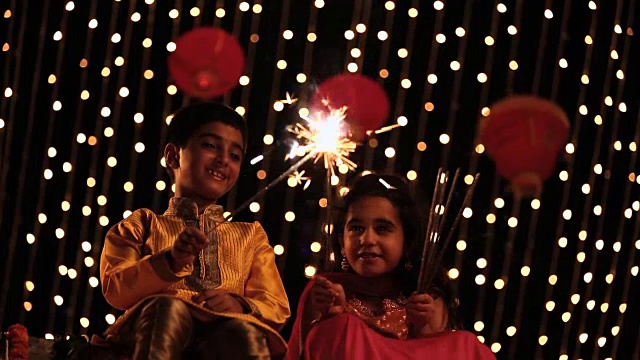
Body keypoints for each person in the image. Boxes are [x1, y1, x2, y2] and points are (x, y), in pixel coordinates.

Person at [99, 102, 291, 359]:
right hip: (150, 330)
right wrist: (170, 260)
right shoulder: (141, 224)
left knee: (243, 333)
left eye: (234, 155)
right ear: (173, 155)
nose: (223, 160)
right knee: (168, 311)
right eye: (210, 145)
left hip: (222, 332)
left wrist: (240, 304)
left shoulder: (251, 235)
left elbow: (276, 306)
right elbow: (116, 290)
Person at [286, 173, 494, 359]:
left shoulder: (426, 299)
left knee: (466, 344)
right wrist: (326, 315)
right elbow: (302, 353)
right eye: (356, 228)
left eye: (382, 228)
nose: (366, 239)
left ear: (408, 242)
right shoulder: (326, 289)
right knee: (338, 328)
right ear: (342, 241)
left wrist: (424, 328)